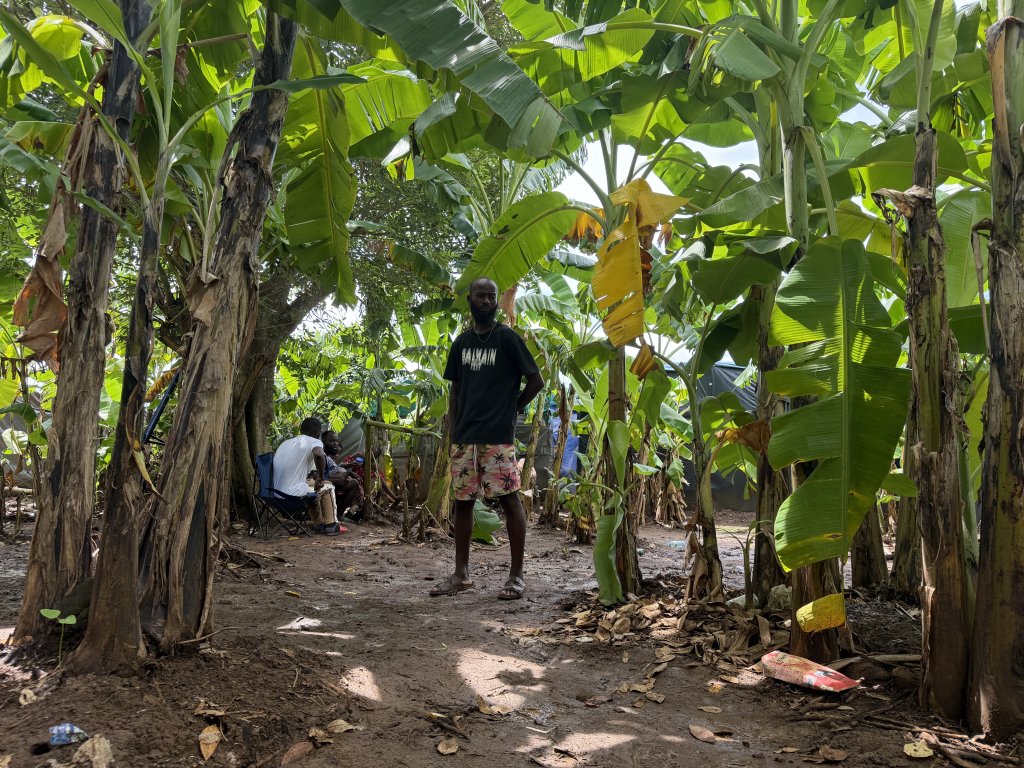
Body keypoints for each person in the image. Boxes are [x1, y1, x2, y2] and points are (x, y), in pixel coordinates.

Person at [430, 277, 544, 600]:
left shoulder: (508, 339)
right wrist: (453, 428)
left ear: (497, 303)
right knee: (463, 503)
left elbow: (536, 381)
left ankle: (516, 576)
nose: (486, 301)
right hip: (465, 436)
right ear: (470, 300)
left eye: (491, 297)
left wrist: (513, 409)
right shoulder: (461, 344)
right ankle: (461, 575)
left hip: (497, 437)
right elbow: (455, 389)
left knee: (510, 500)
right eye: (480, 296)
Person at [273, 417, 345, 535]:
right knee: (327, 486)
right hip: (291, 494)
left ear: (301, 430)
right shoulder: (314, 441)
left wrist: (316, 480)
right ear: (318, 433)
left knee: (313, 486)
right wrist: (321, 478)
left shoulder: (286, 443)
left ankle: (319, 524)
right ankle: (331, 525)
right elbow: (318, 454)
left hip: (274, 494)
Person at [322, 431, 364, 521]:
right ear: (323, 441)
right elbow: (328, 475)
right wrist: (347, 474)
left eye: (336, 441)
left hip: (330, 484)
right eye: (332, 441)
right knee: (353, 484)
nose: (335, 443)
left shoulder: (328, 458)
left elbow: (336, 470)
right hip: (325, 485)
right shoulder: (322, 456)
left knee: (349, 483)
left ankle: (339, 514)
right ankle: (338, 515)